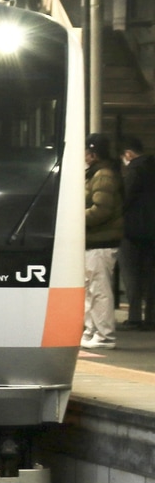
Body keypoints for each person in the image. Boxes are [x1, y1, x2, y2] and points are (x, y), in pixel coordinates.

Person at [83, 133, 125, 349]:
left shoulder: (103, 175)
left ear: (93, 153)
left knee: (99, 289)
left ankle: (104, 335)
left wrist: (75, 218)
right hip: (95, 241)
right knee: (91, 288)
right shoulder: (96, 173)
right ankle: (92, 330)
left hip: (102, 241)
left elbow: (102, 210)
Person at [118, 136, 155, 330]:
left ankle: (134, 317)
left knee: (132, 275)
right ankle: (151, 317)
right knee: (151, 276)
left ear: (128, 154)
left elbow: (126, 199)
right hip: (152, 231)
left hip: (133, 230)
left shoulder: (134, 170)